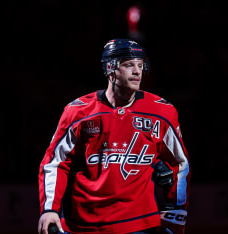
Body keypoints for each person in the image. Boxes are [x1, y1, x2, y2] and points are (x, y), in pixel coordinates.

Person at [38, 39, 190, 234]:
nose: (137, 71)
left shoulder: (162, 112)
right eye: (129, 65)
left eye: (140, 65)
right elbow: (54, 162)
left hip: (140, 225)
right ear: (110, 69)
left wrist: (175, 211)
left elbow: (179, 164)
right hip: (83, 225)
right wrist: (50, 209)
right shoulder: (77, 112)